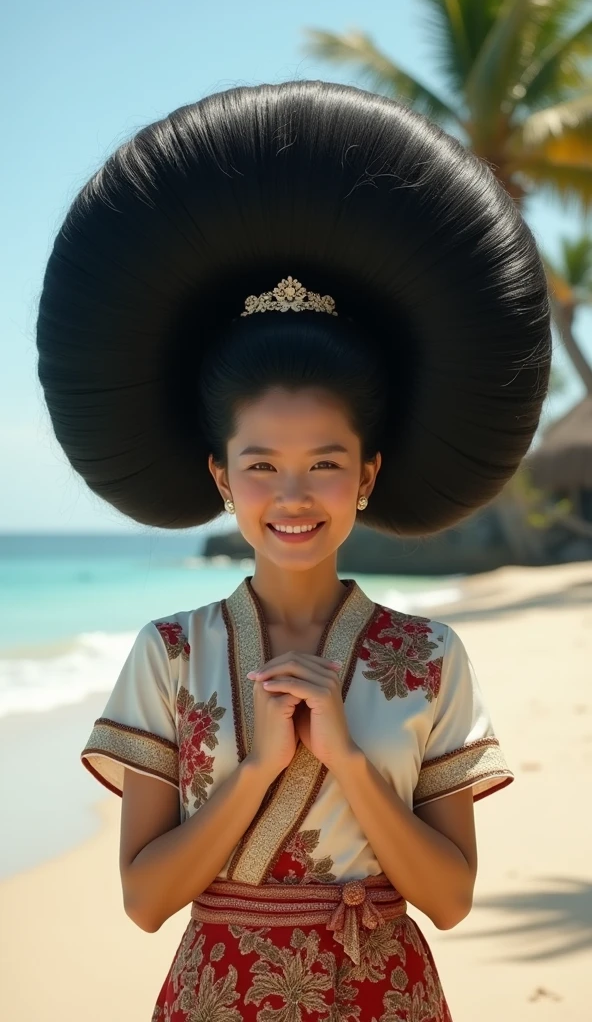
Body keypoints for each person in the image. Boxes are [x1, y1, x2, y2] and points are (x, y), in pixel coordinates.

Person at [36, 80, 552, 1021]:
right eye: (262, 463)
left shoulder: (431, 659)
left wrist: (350, 762)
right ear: (221, 477)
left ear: (367, 473)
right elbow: (147, 901)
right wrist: (260, 770)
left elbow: (450, 898)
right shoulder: (172, 654)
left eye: (325, 461)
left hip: (385, 994)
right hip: (214, 997)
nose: (292, 494)